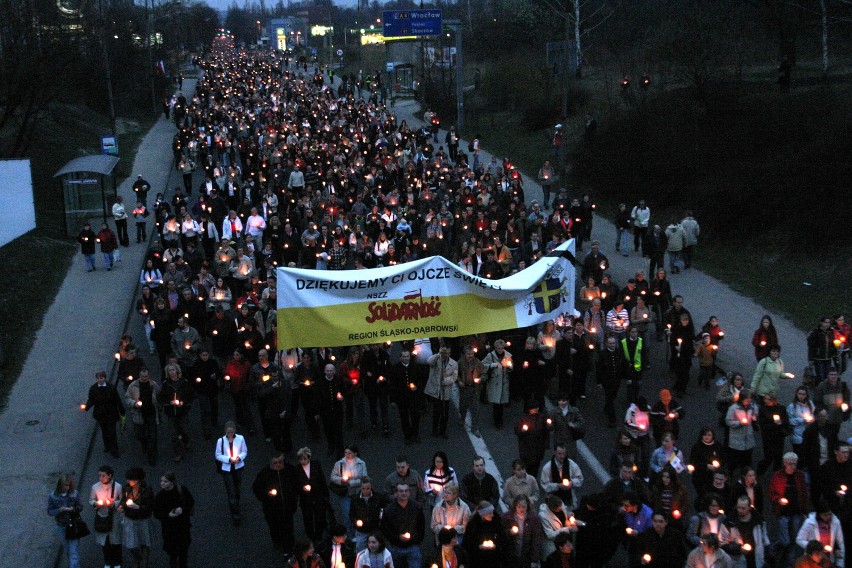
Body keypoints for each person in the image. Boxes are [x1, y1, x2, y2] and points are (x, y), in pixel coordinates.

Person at [768, 452, 811, 567]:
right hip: (783, 512)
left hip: (796, 512)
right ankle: (774, 549)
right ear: (785, 463)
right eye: (790, 464)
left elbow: (804, 493)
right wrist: (778, 499)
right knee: (785, 540)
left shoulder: (800, 475)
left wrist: (805, 511)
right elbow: (771, 493)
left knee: (794, 539)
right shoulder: (777, 476)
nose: (793, 466)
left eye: (794, 464)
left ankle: (790, 562)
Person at [252, 453, 298, 555]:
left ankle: (289, 548)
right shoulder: (264, 474)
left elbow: (296, 483)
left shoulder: (290, 471)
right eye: (275, 463)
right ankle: (277, 541)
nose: (278, 465)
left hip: (287, 507)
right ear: (270, 463)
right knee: (274, 527)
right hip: (271, 509)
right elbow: (256, 489)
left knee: (288, 528)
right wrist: (267, 495)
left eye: (280, 462)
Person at [153, 471, 194, 568]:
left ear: (172, 482)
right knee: (172, 551)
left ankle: (182, 564)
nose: (162, 483)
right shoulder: (160, 496)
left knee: (183, 549)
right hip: (169, 528)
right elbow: (156, 513)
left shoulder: (181, 490)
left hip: (182, 526)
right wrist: (168, 515)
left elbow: (191, 502)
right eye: (161, 481)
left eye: (165, 481)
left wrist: (182, 510)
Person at [381, 482, 426, 568]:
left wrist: (414, 539)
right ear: (396, 493)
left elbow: (421, 527)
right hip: (395, 547)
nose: (404, 493)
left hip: (413, 547)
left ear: (409, 492)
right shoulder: (389, 510)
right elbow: (385, 529)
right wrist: (398, 537)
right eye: (401, 491)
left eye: (406, 491)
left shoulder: (417, 508)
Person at [83, 370, 124, 458]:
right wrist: (86, 407)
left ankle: (114, 450)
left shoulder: (111, 388)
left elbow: (117, 399)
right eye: (98, 378)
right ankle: (107, 446)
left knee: (112, 432)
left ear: (104, 378)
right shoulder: (93, 388)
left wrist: (121, 411)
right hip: (101, 414)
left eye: (101, 378)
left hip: (111, 414)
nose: (99, 380)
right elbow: (91, 399)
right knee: (104, 431)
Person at [329, 444, 368, 533]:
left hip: (358, 492)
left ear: (355, 454)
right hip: (345, 493)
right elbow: (332, 477)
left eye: (349, 453)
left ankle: (358, 532)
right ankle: (349, 536)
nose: (347, 455)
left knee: (359, 514)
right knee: (347, 515)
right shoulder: (339, 464)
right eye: (345, 453)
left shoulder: (361, 464)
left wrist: (351, 483)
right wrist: (341, 480)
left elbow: (364, 479)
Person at [120, 467, 155, 568]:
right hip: (130, 519)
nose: (128, 481)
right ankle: (137, 558)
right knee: (131, 544)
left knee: (145, 541)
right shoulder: (126, 487)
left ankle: (144, 562)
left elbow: (150, 505)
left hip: (143, 519)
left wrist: (138, 507)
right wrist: (122, 506)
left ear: (137, 480)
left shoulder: (147, 489)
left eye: (130, 479)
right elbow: (123, 499)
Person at [159, 363, 194, 462]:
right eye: (170, 370)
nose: (172, 372)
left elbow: (191, 395)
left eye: (173, 370)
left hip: (182, 412)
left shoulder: (184, 382)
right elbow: (162, 397)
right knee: (173, 433)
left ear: (177, 371)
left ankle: (186, 440)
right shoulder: (166, 384)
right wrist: (169, 402)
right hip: (171, 413)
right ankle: (178, 452)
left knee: (184, 429)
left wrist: (183, 402)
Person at [215, 421, 247, 525]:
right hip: (227, 469)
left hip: (238, 467)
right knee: (231, 491)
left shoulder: (241, 439)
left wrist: (239, 458)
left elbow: (244, 451)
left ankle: (235, 503)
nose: (230, 434)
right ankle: (235, 515)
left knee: (237, 488)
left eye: (232, 432)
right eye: (228, 432)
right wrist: (229, 459)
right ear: (225, 431)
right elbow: (218, 455)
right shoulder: (220, 441)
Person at [48, 473, 84, 568]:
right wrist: (60, 510)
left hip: (73, 525)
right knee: (68, 550)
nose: (67, 487)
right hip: (61, 526)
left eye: (69, 485)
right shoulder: (53, 496)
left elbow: (80, 507)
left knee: (73, 552)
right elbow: (50, 511)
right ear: (60, 484)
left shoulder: (74, 494)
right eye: (65, 485)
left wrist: (73, 509)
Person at [90, 465, 123, 568]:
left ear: (109, 475)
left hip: (114, 517)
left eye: (103, 476)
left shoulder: (117, 486)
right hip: (102, 516)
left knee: (116, 541)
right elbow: (91, 500)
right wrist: (96, 504)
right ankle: (107, 562)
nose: (101, 478)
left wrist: (115, 504)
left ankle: (117, 562)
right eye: (99, 475)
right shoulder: (95, 487)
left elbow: (122, 500)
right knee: (105, 542)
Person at [125, 368, 160, 465]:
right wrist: (134, 404)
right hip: (139, 414)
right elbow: (127, 398)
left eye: (146, 376)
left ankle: (152, 456)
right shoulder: (133, 386)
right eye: (142, 376)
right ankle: (145, 444)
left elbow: (159, 394)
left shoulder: (153, 385)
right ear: (139, 376)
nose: (144, 378)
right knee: (139, 435)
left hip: (151, 413)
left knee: (153, 436)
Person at [295, 446, 330, 542]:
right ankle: (311, 535)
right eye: (301, 459)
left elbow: (322, 479)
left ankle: (319, 534)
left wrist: (326, 494)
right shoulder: (297, 469)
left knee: (320, 516)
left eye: (305, 459)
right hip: (306, 499)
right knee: (308, 517)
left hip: (318, 496)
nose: (303, 461)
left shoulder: (316, 465)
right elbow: (295, 484)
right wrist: (302, 488)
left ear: (309, 458)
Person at [725, 495, 770, 568]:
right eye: (738, 507)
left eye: (743, 508)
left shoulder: (758, 521)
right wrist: (738, 549)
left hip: (755, 558)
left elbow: (764, 538)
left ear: (749, 507)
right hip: (738, 560)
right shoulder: (729, 521)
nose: (740, 510)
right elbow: (722, 542)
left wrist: (767, 554)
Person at [796, 502, 845, 568]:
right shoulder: (809, 523)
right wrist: (813, 546)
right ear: (819, 514)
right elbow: (799, 539)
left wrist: (840, 562)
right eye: (825, 515)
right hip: (813, 559)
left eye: (829, 514)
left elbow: (840, 541)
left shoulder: (835, 522)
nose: (828, 517)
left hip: (829, 559)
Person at [501, 494, 544, 568]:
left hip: (527, 554)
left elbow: (537, 539)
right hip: (511, 554)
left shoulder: (534, 519)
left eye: (523, 507)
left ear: (527, 506)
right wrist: (509, 532)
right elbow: (501, 533)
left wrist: (534, 559)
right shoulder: (507, 517)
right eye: (518, 507)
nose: (521, 509)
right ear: (515, 506)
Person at [424, 345, 457, 438]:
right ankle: (435, 429)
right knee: (436, 412)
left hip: (445, 391)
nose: (445, 355)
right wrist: (439, 354)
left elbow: (454, 377)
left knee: (445, 413)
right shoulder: (436, 359)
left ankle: (443, 430)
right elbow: (429, 362)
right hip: (436, 391)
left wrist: (445, 381)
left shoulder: (454, 363)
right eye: (444, 352)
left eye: (447, 353)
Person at [540, 443, 584, 509]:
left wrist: (571, 483)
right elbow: (545, 485)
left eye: (564, 453)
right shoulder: (547, 468)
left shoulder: (571, 464)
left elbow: (580, 479)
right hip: (553, 501)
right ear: (554, 452)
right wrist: (558, 486)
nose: (562, 456)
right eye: (559, 454)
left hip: (569, 500)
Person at [725, 389, 758, 475]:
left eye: (750, 398)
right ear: (742, 399)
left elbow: (755, 416)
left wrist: (754, 419)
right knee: (734, 462)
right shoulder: (733, 408)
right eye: (747, 399)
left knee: (747, 463)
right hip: (736, 442)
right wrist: (739, 423)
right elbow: (728, 421)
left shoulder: (753, 407)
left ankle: (745, 477)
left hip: (748, 440)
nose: (749, 400)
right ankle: (730, 476)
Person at [482, 339, 513, 427]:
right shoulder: (490, 356)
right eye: (498, 348)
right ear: (495, 348)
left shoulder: (507, 355)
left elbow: (511, 367)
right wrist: (493, 365)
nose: (500, 350)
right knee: (496, 404)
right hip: (494, 382)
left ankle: (500, 420)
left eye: (502, 348)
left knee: (501, 403)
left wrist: (509, 366)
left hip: (503, 382)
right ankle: (497, 421)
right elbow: (483, 365)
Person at [688, 427, 725, 499]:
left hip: (715, 477)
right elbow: (693, 462)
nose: (706, 437)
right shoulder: (697, 447)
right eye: (704, 435)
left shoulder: (718, 446)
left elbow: (723, 458)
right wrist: (706, 466)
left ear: (712, 436)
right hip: (700, 477)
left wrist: (719, 466)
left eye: (709, 435)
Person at [457, 344, 485, 437]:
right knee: (463, 405)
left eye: (472, 354)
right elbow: (455, 373)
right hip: (465, 388)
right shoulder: (460, 363)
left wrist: (480, 379)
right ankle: (462, 418)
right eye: (468, 354)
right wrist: (459, 381)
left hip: (475, 389)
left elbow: (484, 374)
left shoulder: (478, 363)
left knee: (475, 409)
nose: (470, 356)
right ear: (465, 354)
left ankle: (474, 428)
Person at [808, 316, 838, 385]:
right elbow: (811, 347)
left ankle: (824, 390)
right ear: (821, 323)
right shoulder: (816, 332)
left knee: (826, 376)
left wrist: (835, 350)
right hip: (818, 358)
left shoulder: (831, 332)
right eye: (825, 322)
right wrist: (811, 359)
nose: (827, 324)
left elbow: (833, 343)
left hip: (828, 358)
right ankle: (819, 390)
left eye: (828, 322)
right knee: (820, 376)